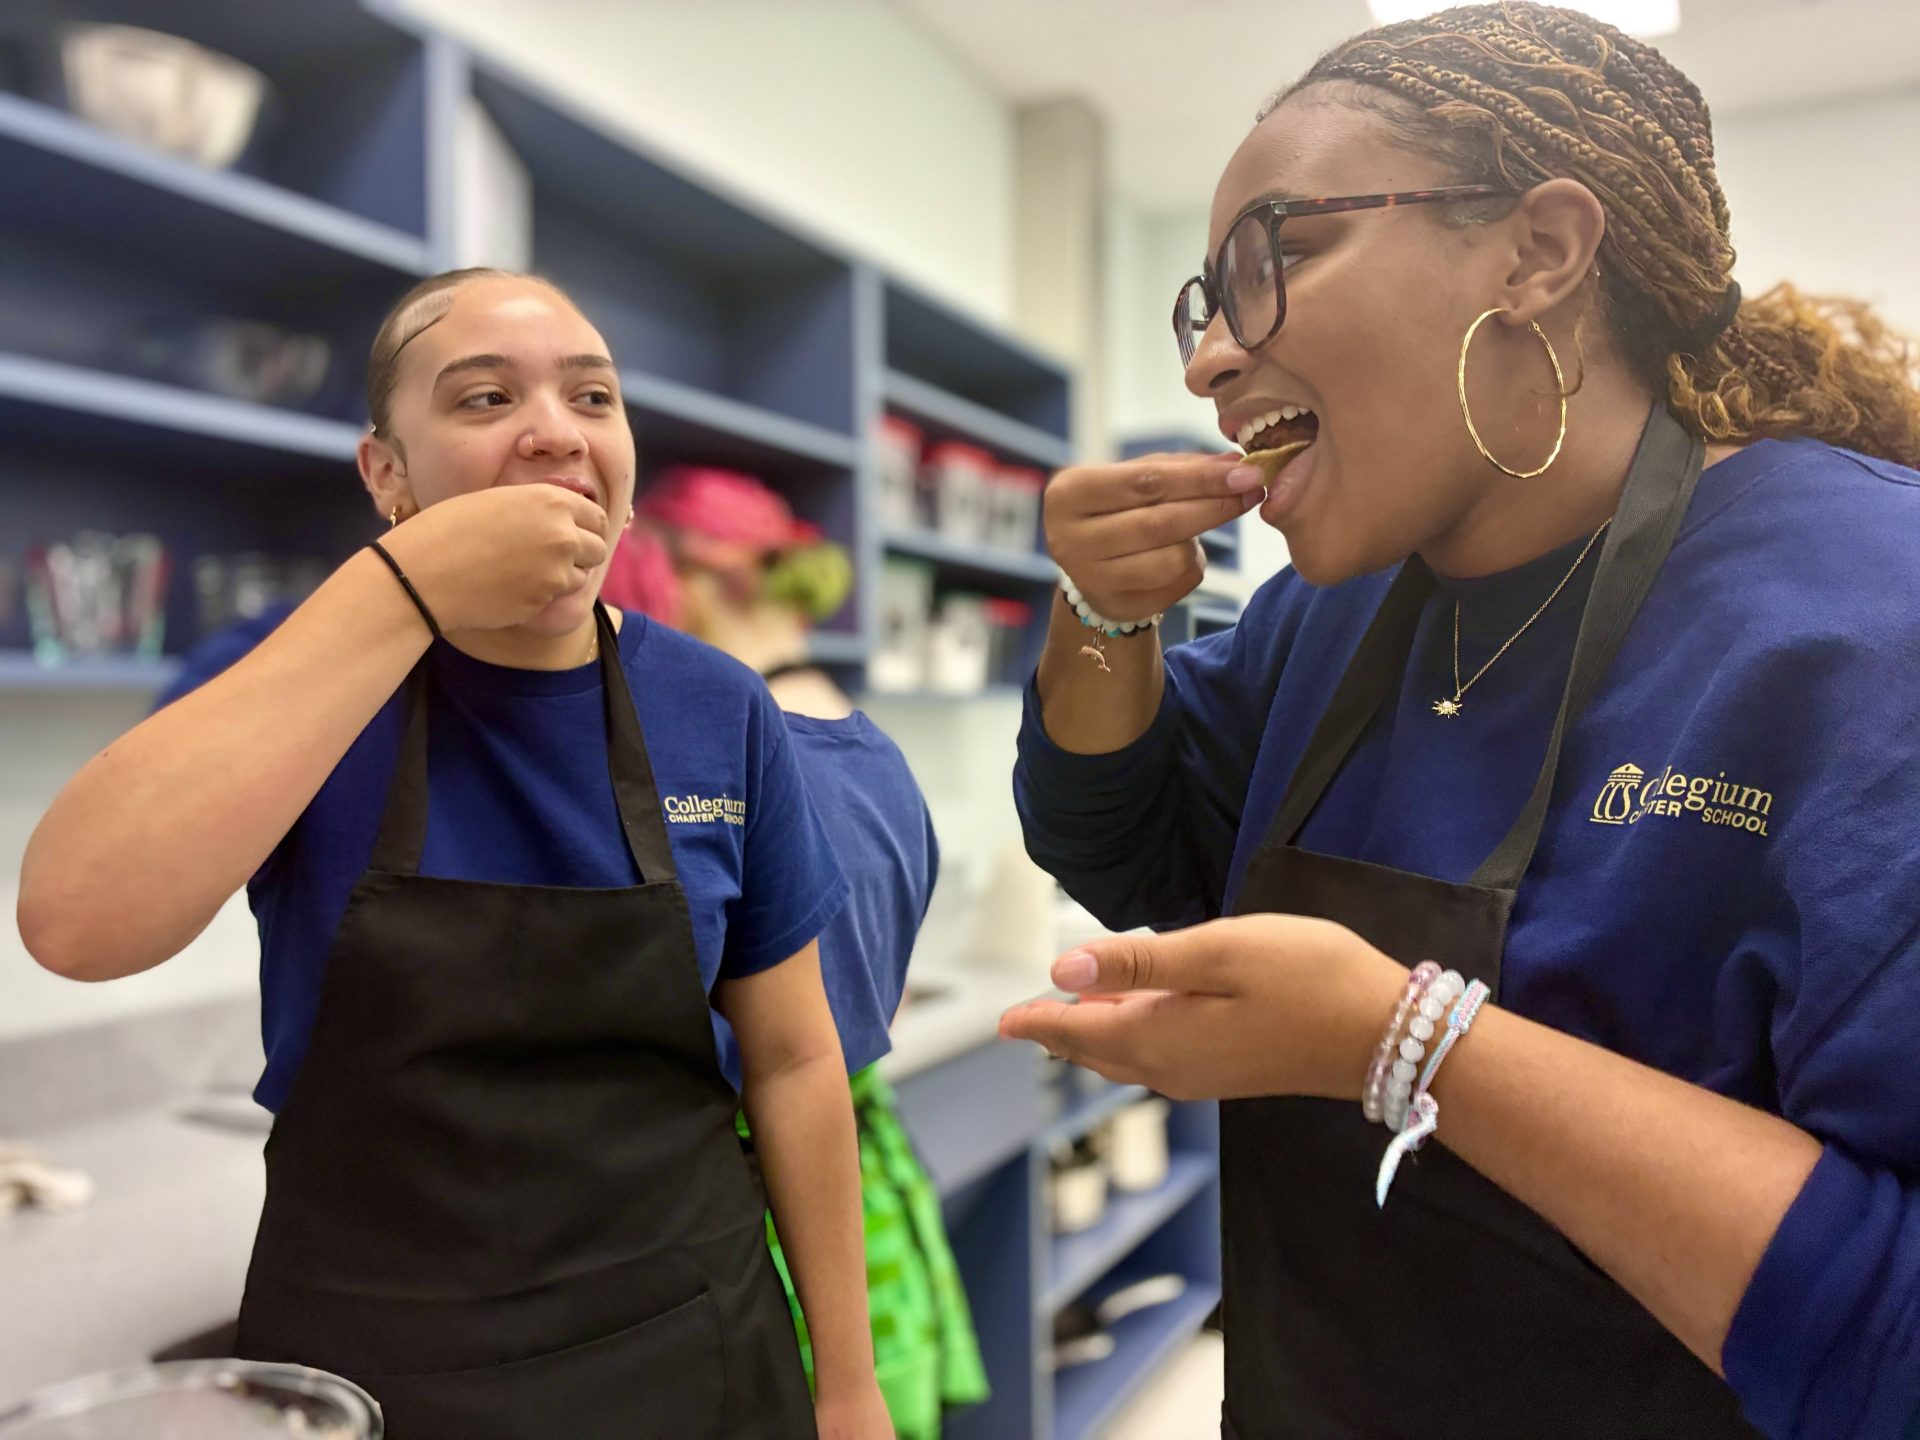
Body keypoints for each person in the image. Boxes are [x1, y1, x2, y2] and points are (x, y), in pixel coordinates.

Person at [998, 6, 1920, 1439]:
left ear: (1539, 253)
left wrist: (1408, 1042)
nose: (1211, 362)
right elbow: (1133, 845)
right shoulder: (1342, 607)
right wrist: (1103, 611)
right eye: (1205, 301)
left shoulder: (1869, 621)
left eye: (1279, 257)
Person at [18, 268, 894, 1440]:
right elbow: (76, 923)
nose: (554, 433)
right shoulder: (295, 674)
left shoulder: (718, 708)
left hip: (693, 1344)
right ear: (387, 474)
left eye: (594, 398)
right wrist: (401, 590)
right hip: (377, 1365)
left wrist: (849, 1390)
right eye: (484, 400)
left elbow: (793, 1064)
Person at [603, 465, 989, 1440]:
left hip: (758, 1226)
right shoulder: (880, 759)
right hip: (863, 1193)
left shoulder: (731, 772)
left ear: (712, 578)